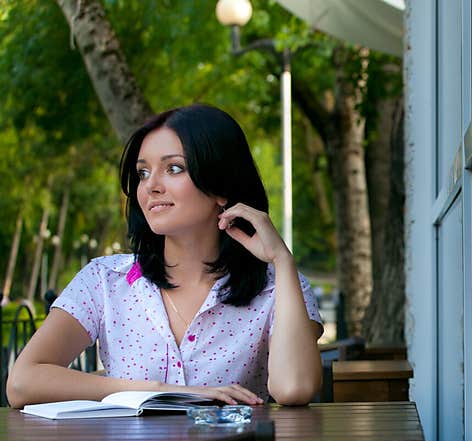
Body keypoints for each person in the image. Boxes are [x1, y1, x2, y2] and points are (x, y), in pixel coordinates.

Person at [7, 104, 323, 409]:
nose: (151, 187)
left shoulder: (278, 288)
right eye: (143, 173)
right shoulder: (105, 280)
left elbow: (294, 388)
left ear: (219, 185)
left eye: (173, 168)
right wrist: (158, 391)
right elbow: (22, 383)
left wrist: (282, 259)